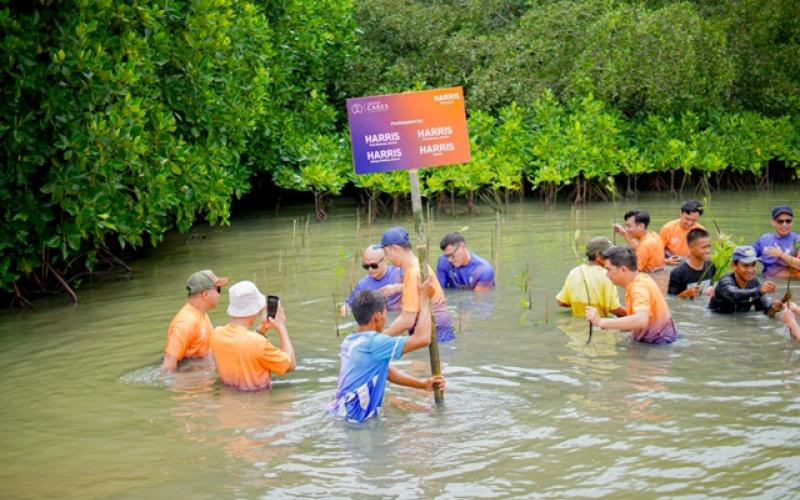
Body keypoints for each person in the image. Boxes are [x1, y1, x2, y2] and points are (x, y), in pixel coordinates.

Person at [330, 284, 446, 423]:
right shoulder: (375, 342)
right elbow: (423, 339)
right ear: (377, 316)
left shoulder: (350, 341)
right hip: (355, 418)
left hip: (340, 410)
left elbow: (387, 372)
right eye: (385, 313)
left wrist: (422, 384)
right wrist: (424, 300)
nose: (386, 319)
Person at [210, 281, 296, 391]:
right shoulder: (258, 343)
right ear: (255, 309)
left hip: (227, 402)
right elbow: (290, 365)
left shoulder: (216, 334)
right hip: (257, 402)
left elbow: (243, 346)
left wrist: (261, 331)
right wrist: (281, 327)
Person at [585, 246, 677, 344]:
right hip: (661, 339)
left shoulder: (638, 288)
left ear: (623, 270)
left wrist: (601, 322)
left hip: (657, 345)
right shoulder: (640, 279)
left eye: (609, 269)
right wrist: (614, 326)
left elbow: (641, 320)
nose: (607, 275)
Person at [381, 226, 455, 342]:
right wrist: (396, 288)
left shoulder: (413, 273)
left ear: (394, 249)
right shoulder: (418, 266)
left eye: (386, 253)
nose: (387, 258)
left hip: (434, 332)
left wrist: (380, 337)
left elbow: (407, 320)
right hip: (440, 327)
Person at [161, 269, 228, 372]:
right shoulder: (185, 323)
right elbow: (168, 365)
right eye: (218, 289)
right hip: (192, 385)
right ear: (205, 294)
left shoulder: (202, 314)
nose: (219, 294)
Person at [556, 236, 626, 318]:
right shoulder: (607, 275)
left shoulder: (574, 272)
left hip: (575, 329)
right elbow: (615, 308)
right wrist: (635, 316)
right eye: (609, 254)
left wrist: (580, 303)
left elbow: (561, 302)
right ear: (598, 255)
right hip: (600, 328)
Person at [708, 246, 781, 314]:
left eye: (753, 265)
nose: (750, 270)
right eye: (745, 265)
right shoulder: (725, 281)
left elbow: (763, 309)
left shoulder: (754, 283)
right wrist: (759, 291)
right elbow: (734, 294)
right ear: (733, 265)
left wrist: (773, 309)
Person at [341, 245, 403, 316]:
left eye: (374, 265)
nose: (370, 269)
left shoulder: (398, 273)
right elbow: (348, 305)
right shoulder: (362, 285)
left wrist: (397, 288)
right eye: (366, 266)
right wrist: (344, 311)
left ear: (385, 260)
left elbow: (416, 287)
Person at [753, 205, 800, 279]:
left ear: (792, 222)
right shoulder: (764, 239)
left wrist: (781, 254)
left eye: (788, 221)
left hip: (790, 286)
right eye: (780, 221)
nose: (784, 224)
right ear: (773, 223)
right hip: (766, 282)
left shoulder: (797, 240)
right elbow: (747, 256)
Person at [667, 228, 716, 298]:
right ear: (691, 248)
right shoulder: (678, 273)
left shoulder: (710, 266)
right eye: (704, 247)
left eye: (709, 246)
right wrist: (685, 294)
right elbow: (671, 300)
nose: (708, 251)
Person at [659, 199, 705, 265]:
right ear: (681, 213)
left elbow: (703, 255)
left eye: (694, 220)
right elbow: (657, 253)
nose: (689, 223)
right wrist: (666, 261)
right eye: (687, 219)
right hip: (671, 261)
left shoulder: (701, 231)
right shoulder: (667, 228)